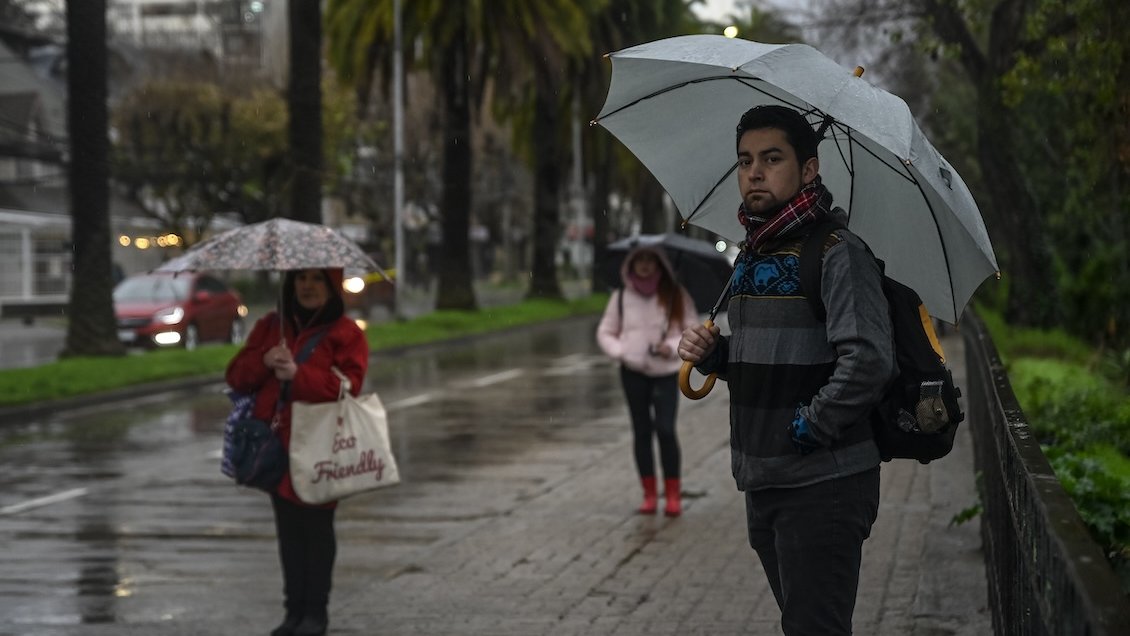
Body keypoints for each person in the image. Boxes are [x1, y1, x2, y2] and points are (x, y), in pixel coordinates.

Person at [677, 105, 896, 635]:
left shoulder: (837, 252)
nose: (754, 172)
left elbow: (869, 360)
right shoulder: (755, 252)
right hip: (763, 480)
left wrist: (808, 428)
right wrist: (716, 355)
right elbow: (772, 354)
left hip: (824, 483)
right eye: (745, 160)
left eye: (772, 159)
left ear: (809, 169)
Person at [225, 268, 369, 636]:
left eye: (317, 279)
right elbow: (237, 376)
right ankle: (293, 613)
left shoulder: (346, 333)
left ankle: (315, 614)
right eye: (301, 278)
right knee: (289, 531)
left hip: (322, 445)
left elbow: (348, 386)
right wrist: (265, 360)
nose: (307, 286)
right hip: (276, 446)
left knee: (316, 530)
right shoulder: (271, 327)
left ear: (332, 286)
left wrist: (297, 374)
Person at [597, 246, 698, 516]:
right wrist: (622, 352)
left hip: (665, 373)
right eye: (639, 260)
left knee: (665, 430)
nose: (644, 265)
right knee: (642, 432)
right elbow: (606, 332)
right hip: (633, 373)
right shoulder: (621, 297)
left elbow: (691, 329)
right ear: (630, 264)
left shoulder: (675, 293)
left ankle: (673, 494)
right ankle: (649, 494)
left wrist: (671, 346)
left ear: (659, 264)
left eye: (650, 260)